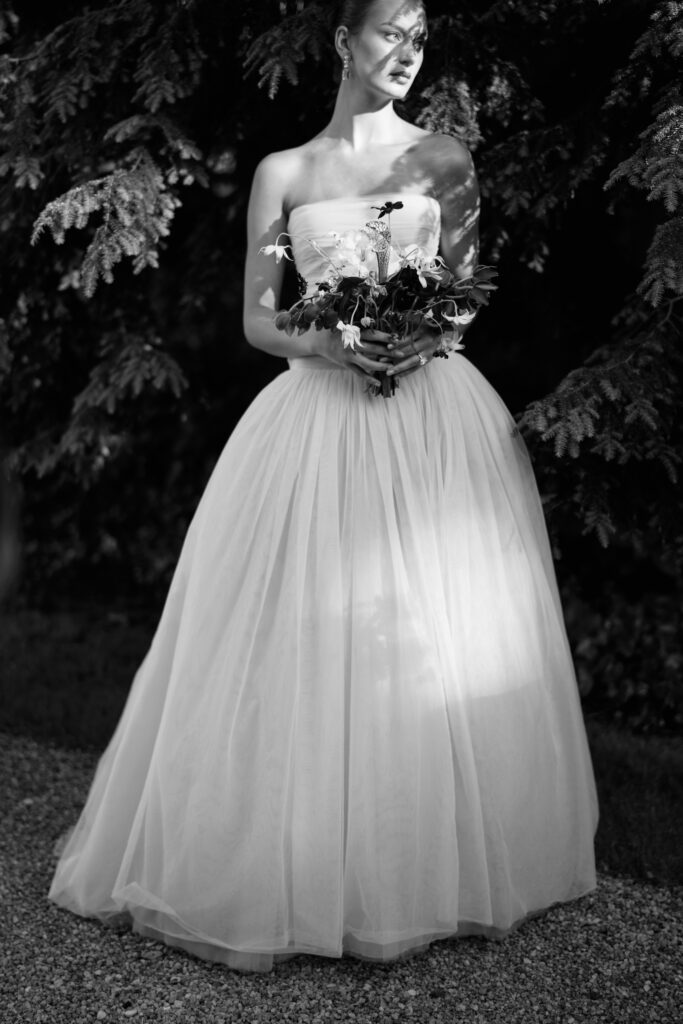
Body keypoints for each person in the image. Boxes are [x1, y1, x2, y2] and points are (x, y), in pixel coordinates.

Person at [48, 0, 599, 974]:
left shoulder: (444, 162)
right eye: (389, 32)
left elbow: (463, 294)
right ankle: (302, 863)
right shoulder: (285, 173)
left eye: (419, 37)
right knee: (310, 632)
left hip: (431, 414)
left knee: (428, 628)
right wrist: (337, 342)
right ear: (343, 40)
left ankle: (425, 869)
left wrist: (411, 337)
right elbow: (261, 320)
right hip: (314, 411)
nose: (405, 52)